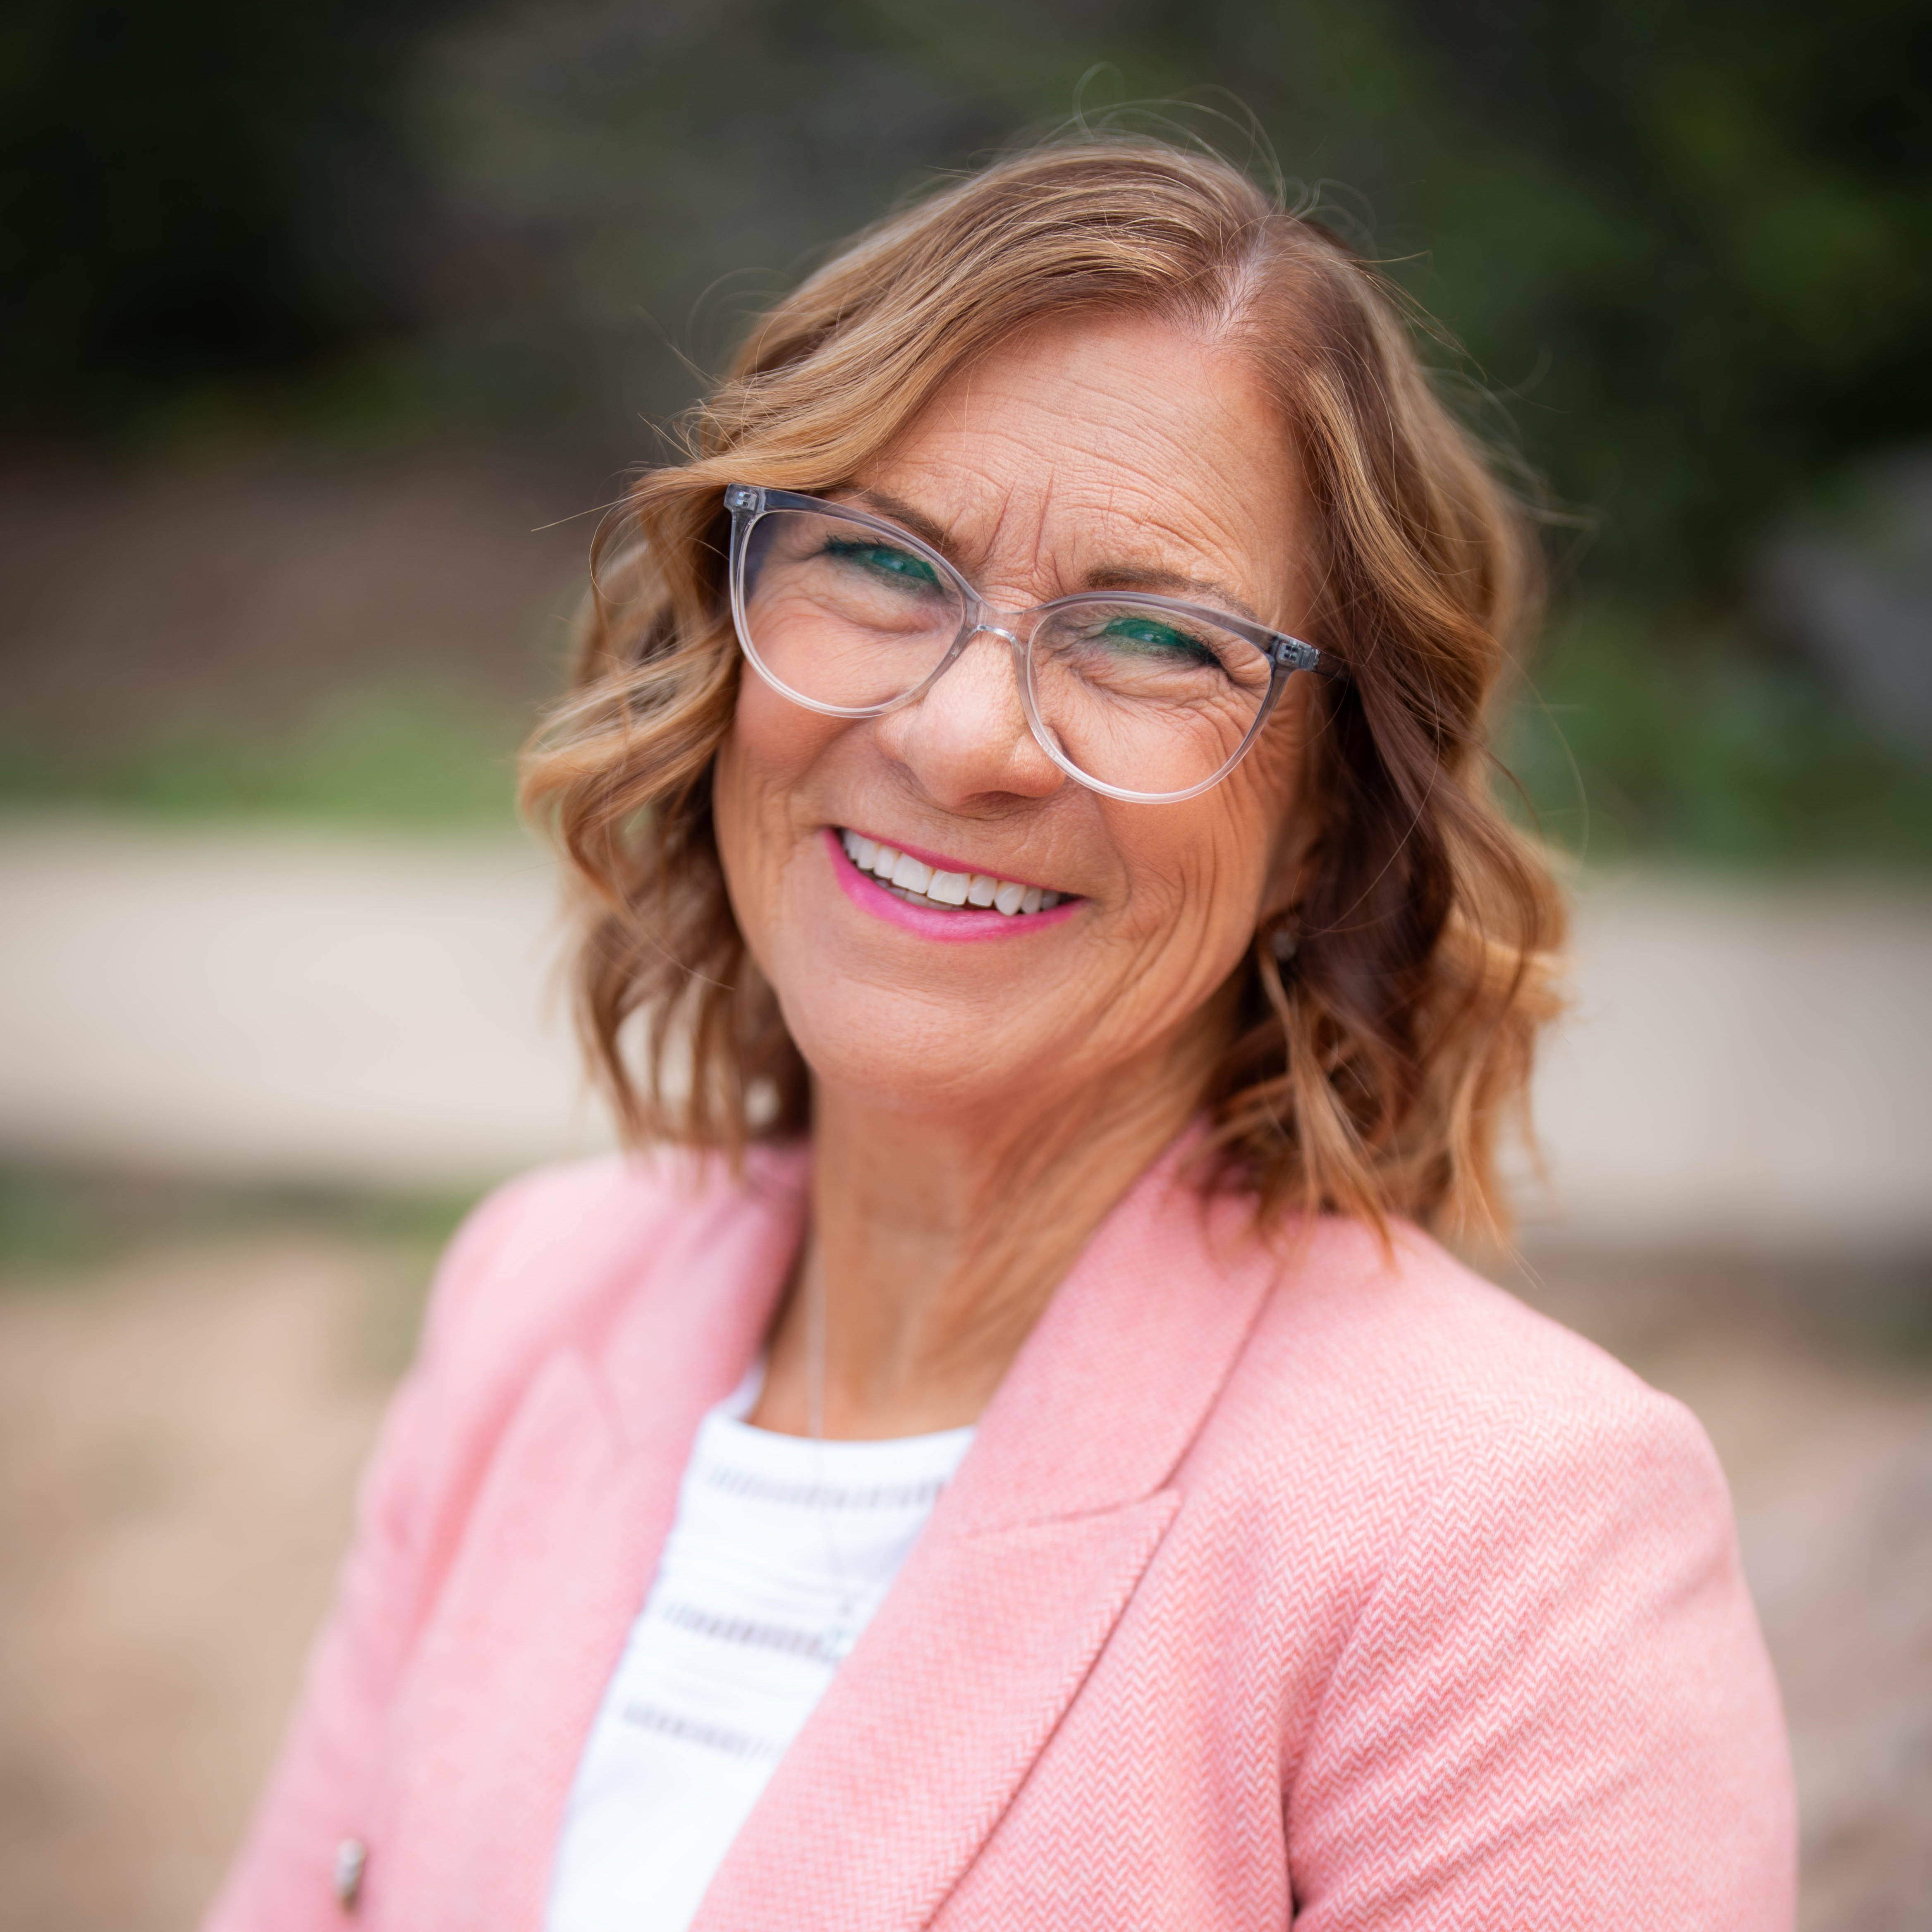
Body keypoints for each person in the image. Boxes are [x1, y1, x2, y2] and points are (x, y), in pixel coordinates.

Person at [205, 137, 1794, 1931]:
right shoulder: (529, 1302)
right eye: (882, 562)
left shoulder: (1507, 1535)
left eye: (1146, 635)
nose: (964, 737)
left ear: (1331, 826)